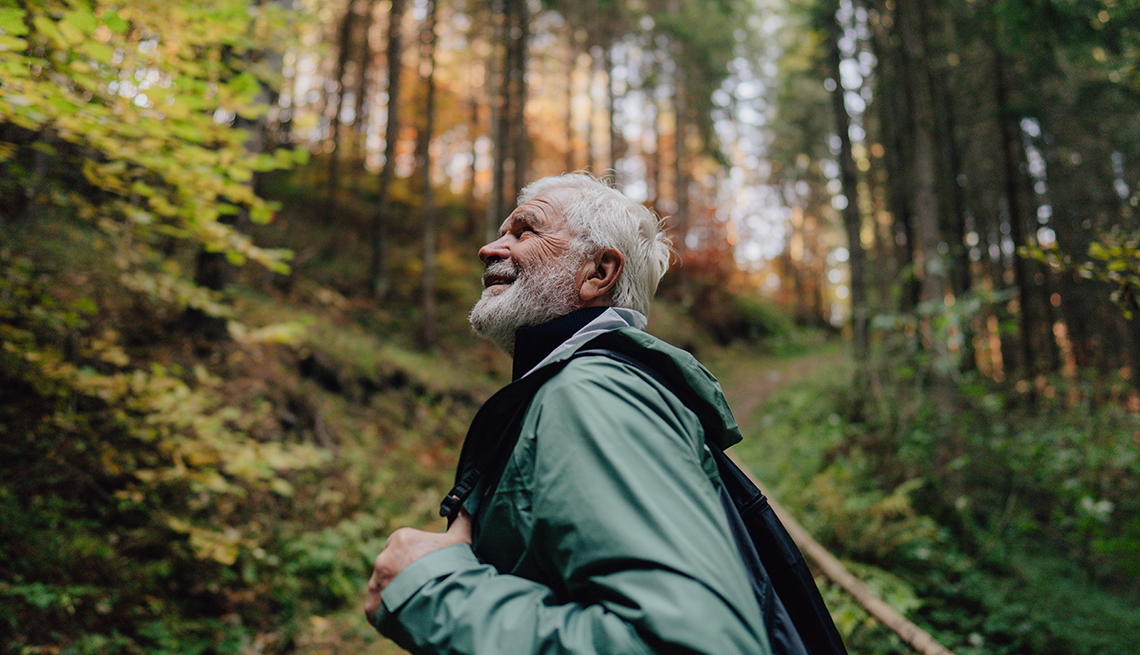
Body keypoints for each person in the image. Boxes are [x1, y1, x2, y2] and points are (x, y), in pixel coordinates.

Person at [365, 173, 771, 655]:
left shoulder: (595, 393)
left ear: (598, 273)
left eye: (524, 231)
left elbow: (684, 645)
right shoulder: (584, 389)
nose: (489, 248)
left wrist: (430, 591)